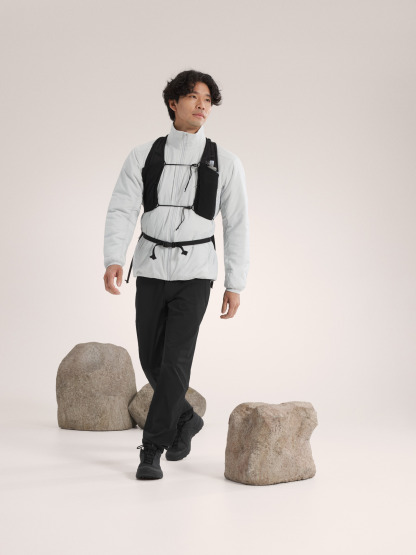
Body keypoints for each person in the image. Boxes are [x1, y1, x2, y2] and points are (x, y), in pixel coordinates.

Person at [103, 69, 249, 480]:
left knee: (176, 361)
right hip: (150, 268)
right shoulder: (143, 155)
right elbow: (122, 208)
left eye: (208, 100)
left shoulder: (226, 162)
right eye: (194, 97)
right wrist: (114, 257)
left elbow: (237, 225)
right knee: (152, 359)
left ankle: (152, 448)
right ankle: (186, 417)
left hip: (196, 273)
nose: (202, 106)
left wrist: (234, 283)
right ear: (174, 102)